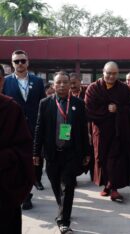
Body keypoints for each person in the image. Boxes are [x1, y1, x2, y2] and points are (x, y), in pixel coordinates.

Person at [33, 71, 90, 234]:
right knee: (55, 184)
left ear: (69, 84)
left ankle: (64, 221)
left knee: (68, 186)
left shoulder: (78, 104)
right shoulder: (45, 103)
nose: (63, 85)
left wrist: (86, 152)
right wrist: (36, 153)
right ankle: (62, 207)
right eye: (59, 82)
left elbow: (82, 130)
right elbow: (39, 129)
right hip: (52, 153)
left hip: (71, 153)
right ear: (53, 85)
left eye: (65, 82)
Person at [85, 61, 130, 202]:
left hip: (117, 131)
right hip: (100, 131)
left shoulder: (123, 89)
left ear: (118, 74)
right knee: (101, 159)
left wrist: (118, 109)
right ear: (103, 72)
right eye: (108, 73)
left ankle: (114, 189)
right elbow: (89, 110)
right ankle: (107, 185)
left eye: (114, 73)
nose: (111, 76)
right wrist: (108, 111)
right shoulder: (93, 89)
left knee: (115, 160)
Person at [3, 50, 46, 209]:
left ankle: (30, 187)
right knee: (16, 162)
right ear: (12, 63)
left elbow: (43, 104)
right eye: (16, 61)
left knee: (32, 161)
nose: (20, 64)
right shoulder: (6, 82)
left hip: (34, 127)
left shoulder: (38, 81)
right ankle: (24, 196)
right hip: (12, 129)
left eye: (22, 61)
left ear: (28, 62)